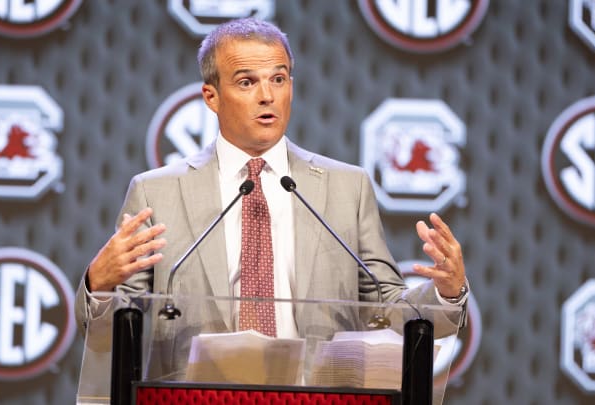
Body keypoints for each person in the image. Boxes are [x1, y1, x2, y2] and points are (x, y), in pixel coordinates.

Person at [75, 17, 468, 377]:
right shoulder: (156, 191)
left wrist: (445, 294)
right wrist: (100, 286)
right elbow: (110, 334)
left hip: (316, 398)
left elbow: (385, 307)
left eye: (278, 79)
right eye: (247, 82)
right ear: (211, 96)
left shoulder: (347, 187)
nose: (267, 95)